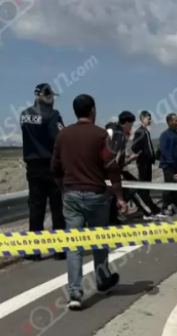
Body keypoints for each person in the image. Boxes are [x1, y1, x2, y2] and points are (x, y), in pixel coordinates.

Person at [51, 94, 125, 311]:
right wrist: (120, 196)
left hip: (72, 195)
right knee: (99, 240)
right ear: (92, 110)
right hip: (96, 195)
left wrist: (63, 189)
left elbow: (55, 168)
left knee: (74, 246)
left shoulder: (63, 135)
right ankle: (102, 279)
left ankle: (75, 293)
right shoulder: (100, 135)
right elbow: (111, 167)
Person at [20, 83, 67, 261]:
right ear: (47, 96)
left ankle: (34, 250)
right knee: (57, 208)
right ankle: (60, 249)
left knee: (35, 208)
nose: (53, 100)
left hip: (33, 167)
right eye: (52, 96)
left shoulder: (24, 115)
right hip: (51, 166)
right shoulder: (53, 115)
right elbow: (61, 138)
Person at [107, 112, 156, 223]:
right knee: (133, 189)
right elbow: (114, 161)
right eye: (131, 125)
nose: (131, 128)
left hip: (111, 172)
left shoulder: (112, 132)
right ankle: (146, 211)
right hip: (113, 173)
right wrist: (130, 160)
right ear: (127, 123)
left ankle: (114, 216)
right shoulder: (119, 136)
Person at [132, 111, 162, 218]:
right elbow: (134, 147)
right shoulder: (139, 132)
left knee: (147, 185)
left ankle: (149, 206)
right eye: (148, 118)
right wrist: (143, 155)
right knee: (144, 186)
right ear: (143, 118)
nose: (150, 121)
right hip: (143, 163)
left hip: (148, 163)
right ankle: (147, 207)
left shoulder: (146, 132)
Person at [158, 113, 177, 216]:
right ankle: (166, 207)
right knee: (169, 187)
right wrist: (171, 162)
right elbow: (164, 151)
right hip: (169, 166)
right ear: (170, 122)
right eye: (175, 120)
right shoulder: (165, 135)